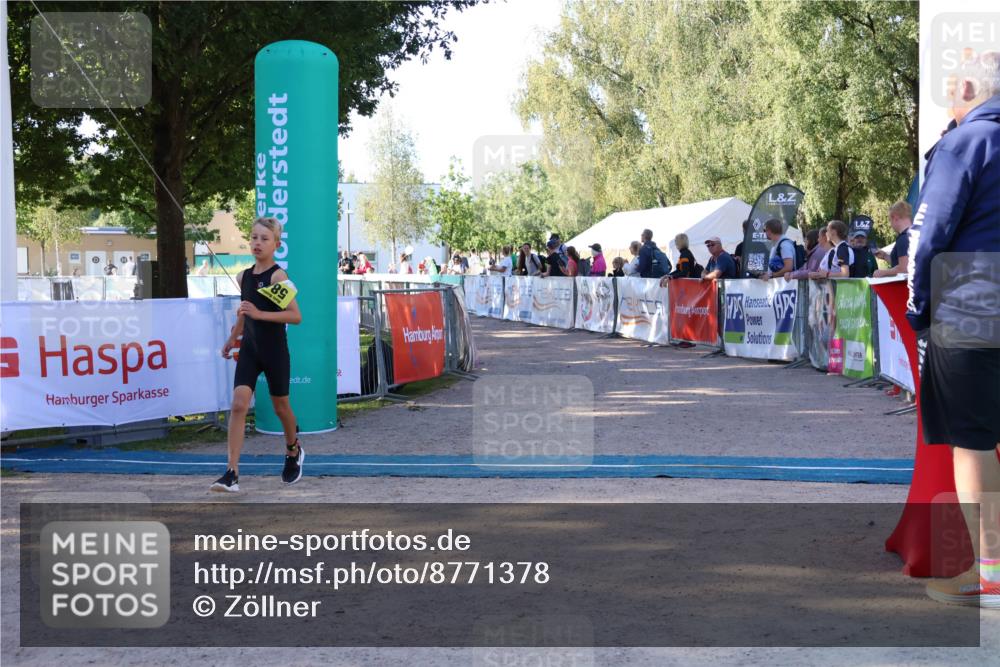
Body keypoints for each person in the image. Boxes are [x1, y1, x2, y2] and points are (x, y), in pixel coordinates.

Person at [907, 51, 1000, 608]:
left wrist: (919, 306)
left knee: (972, 443)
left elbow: (927, 234)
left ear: (968, 87)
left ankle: (992, 576)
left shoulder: (965, 142)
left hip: (972, 301)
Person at [214, 216, 304, 493]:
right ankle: (231, 472)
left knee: (281, 408)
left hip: (274, 351)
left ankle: (293, 449)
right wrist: (233, 337)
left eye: (264, 239)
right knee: (238, 404)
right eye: (254, 237)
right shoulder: (243, 276)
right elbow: (245, 310)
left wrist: (259, 313)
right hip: (250, 351)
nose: (257, 243)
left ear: (276, 244)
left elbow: (295, 316)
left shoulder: (278, 276)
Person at [873, 200, 912, 277]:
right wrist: (885, 256)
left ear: (895, 217)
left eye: (890, 220)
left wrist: (883, 272)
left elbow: (904, 269)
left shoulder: (904, 238)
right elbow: (899, 263)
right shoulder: (915, 234)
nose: (891, 224)